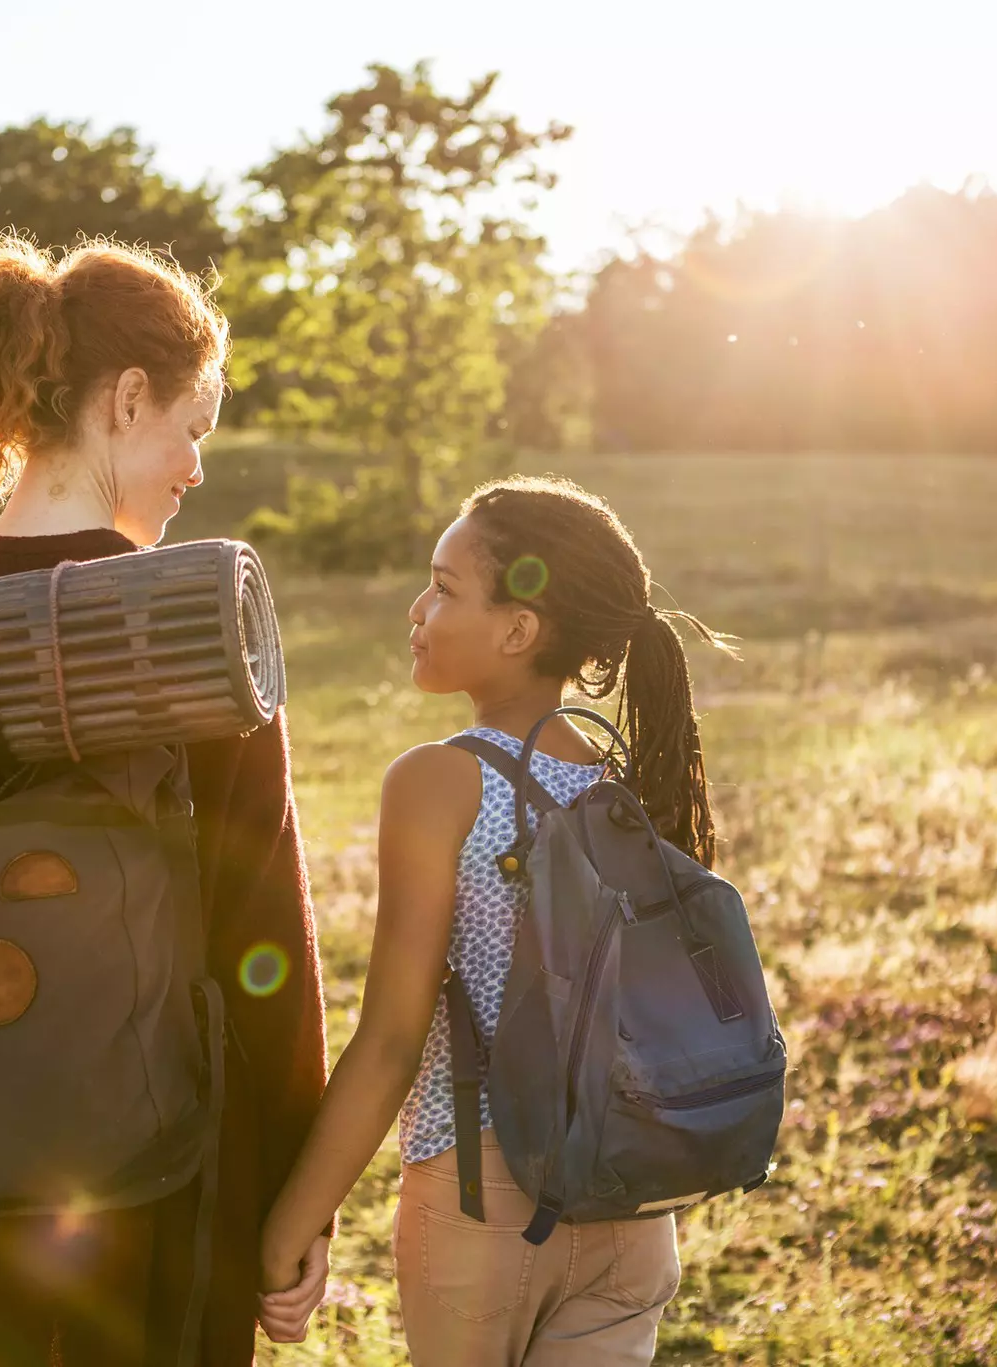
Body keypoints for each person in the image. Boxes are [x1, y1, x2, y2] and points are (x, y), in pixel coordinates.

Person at [0, 229, 332, 1365]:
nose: (196, 467)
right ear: (124, 399)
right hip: (175, 1185)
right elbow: (263, 942)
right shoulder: (190, 624)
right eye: (191, 428)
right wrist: (296, 1194)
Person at [256, 476, 730, 1364]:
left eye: (443, 588)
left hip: (486, 1205)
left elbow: (394, 1039)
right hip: (635, 1210)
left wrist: (293, 1220)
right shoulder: (629, 788)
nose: (416, 608)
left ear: (519, 631)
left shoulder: (441, 781)